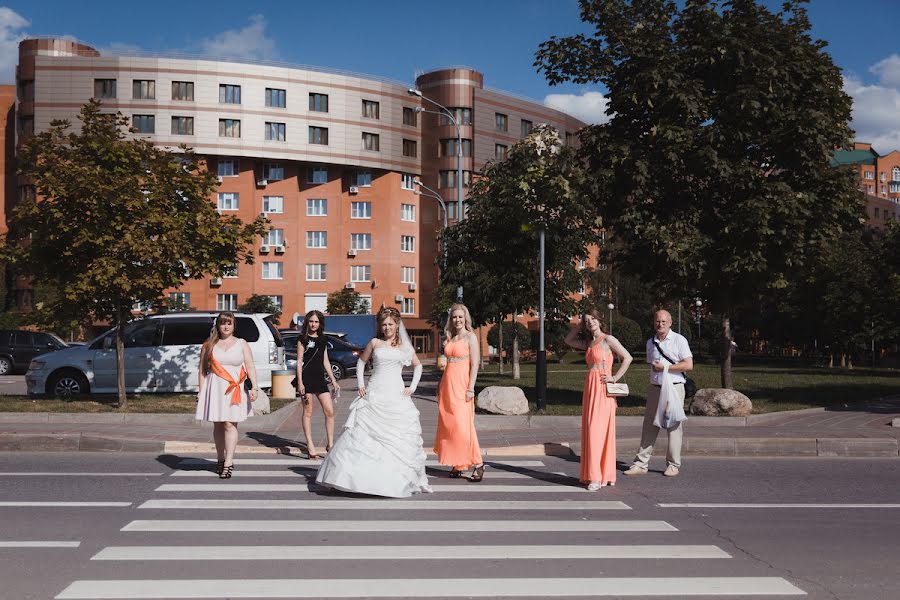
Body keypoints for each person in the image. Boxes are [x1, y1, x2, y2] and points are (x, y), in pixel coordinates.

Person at [315, 307, 432, 497]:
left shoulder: (405, 347)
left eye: (390, 324)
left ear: (397, 325)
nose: (387, 328)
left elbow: (418, 366)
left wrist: (413, 387)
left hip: (396, 395)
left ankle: (391, 481)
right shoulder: (375, 343)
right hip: (375, 392)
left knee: (394, 440)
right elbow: (361, 363)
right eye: (384, 324)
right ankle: (354, 480)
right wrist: (361, 385)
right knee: (363, 435)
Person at [565, 309, 632, 491]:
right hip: (590, 388)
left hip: (603, 390)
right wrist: (579, 324)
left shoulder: (608, 339)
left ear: (600, 320)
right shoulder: (588, 342)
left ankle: (597, 477)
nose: (591, 322)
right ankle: (601, 475)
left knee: (597, 432)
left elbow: (627, 357)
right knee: (591, 431)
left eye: (593, 319)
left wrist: (614, 377)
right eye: (587, 321)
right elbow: (568, 340)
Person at [624, 309, 693, 478]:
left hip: (675, 388)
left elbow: (688, 365)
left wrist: (666, 367)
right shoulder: (651, 342)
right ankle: (641, 463)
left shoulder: (679, 340)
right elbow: (652, 365)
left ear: (670, 323)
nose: (660, 324)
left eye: (663, 321)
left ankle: (673, 465)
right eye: (657, 321)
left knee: (673, 426)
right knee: (649, 425)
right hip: (656, 388)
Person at [195, 311, 259, 479]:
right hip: (214, 388)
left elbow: (250, 366)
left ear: (233, 325)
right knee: (218, 426)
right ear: (218, 324)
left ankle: (229, 462)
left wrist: (255, 387)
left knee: (230, 425)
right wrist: (201, 392)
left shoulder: (242, 343)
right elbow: (202, 370)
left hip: (234, 389)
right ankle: (220, 459)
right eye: (223, 323)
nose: (226, 326)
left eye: (229, 323)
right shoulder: (209, 344)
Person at [434, 303, 484, 482]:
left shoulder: (470, 337)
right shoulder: (450, 338)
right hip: (448, 385)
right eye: (454, 317)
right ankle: (458, 463)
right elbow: (445, 365)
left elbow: (475, 364)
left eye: (460, 317)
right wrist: (440, 386)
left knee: (464, 427)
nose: (457, 320)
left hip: (463, 386)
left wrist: (471, 388)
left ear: (466, 318)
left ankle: (478, 463)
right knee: (451, 427)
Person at [296, 310, 340, 460]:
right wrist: (300, 382)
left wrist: (333, 380)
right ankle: (310, 445)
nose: (313, 324)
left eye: (316, 321)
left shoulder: (323, 339)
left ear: (320, 323)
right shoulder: (302, 339)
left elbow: (325, 360)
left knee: (329, 411)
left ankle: (330, 444)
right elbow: (299, 361)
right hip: (306, 379)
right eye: (311, 321)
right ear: (307, 322)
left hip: (320, 379)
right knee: (308, 411)